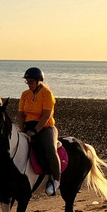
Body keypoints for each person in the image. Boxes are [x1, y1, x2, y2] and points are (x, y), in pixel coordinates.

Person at [18, 67, 61, 196]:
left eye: (31, 81)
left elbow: (46, 115)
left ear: (38, 81)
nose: (29, 84)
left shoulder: (47, 93)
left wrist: (35, 131)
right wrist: (22, 130)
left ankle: (56, 179)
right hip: (28, 126)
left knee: (49, 149)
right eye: (27, 81)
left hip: (45, 127)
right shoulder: (25, 94)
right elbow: (21, 114)